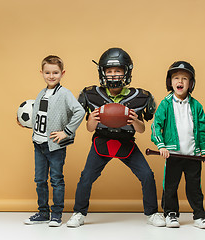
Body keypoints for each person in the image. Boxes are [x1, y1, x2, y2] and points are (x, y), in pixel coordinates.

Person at [66, 48, 165, 228]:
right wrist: (91, 120)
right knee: (86, 177)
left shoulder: (140, 97)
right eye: (109, 71)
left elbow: (142, 129)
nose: (113, 75)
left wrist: (135, 121)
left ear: (126, 72)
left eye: (118, 70)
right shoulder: (91, 94)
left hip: (126, 142)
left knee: (147, 176)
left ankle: (152, 213)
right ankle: (79, 212)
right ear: (102, 72)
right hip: (101, 142)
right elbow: (89, 129)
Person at [18, 55, 85, 227]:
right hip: (38, 144)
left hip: (54, 146)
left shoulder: (64, 94)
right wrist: (27, 124)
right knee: (40, 179)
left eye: (55, 72)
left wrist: (66, 132)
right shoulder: (41, 93)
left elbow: (79, 111)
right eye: (47, 72)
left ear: (62, 73)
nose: (51, 76)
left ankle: (56, 214)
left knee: (56, 179)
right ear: (42, 73)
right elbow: (43, 117)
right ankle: (43, 212)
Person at [151, 61, 205, 229]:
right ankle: (170, 214)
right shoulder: (165, 104)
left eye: (185, 78)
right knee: (170, 186)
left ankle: (199, 215)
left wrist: (204, 152)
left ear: (191, 83)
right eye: (176, 78)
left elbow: (201, 130)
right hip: (173, 155)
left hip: (193, 155)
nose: (180, 81)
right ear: (170, 82)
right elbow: (156, 125)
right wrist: (161, 145)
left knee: (195, 187)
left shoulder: (196, 106)